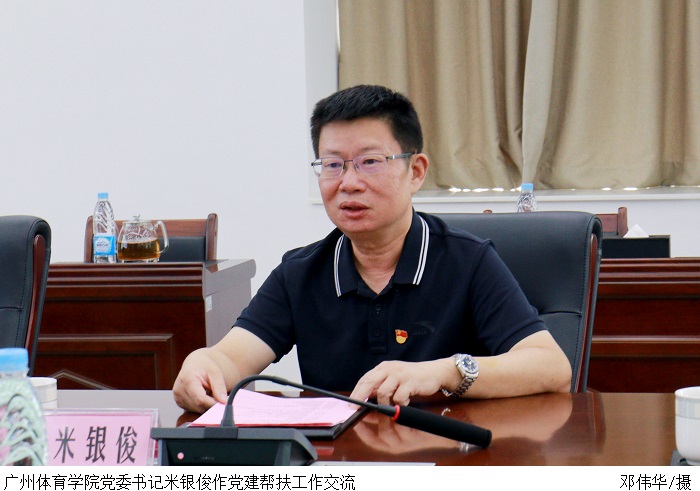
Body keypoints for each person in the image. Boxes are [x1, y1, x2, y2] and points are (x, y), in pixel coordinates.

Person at [173, 84, 572, 413]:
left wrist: (444, 372)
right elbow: (230, 358)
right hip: (340, 463)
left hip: (447, 456)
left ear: (415, 172)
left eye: (370, 162)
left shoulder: (469, 262)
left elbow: (551, 367)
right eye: (333, 165)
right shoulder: (300, 273)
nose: (348, 183)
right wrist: (202, 364)